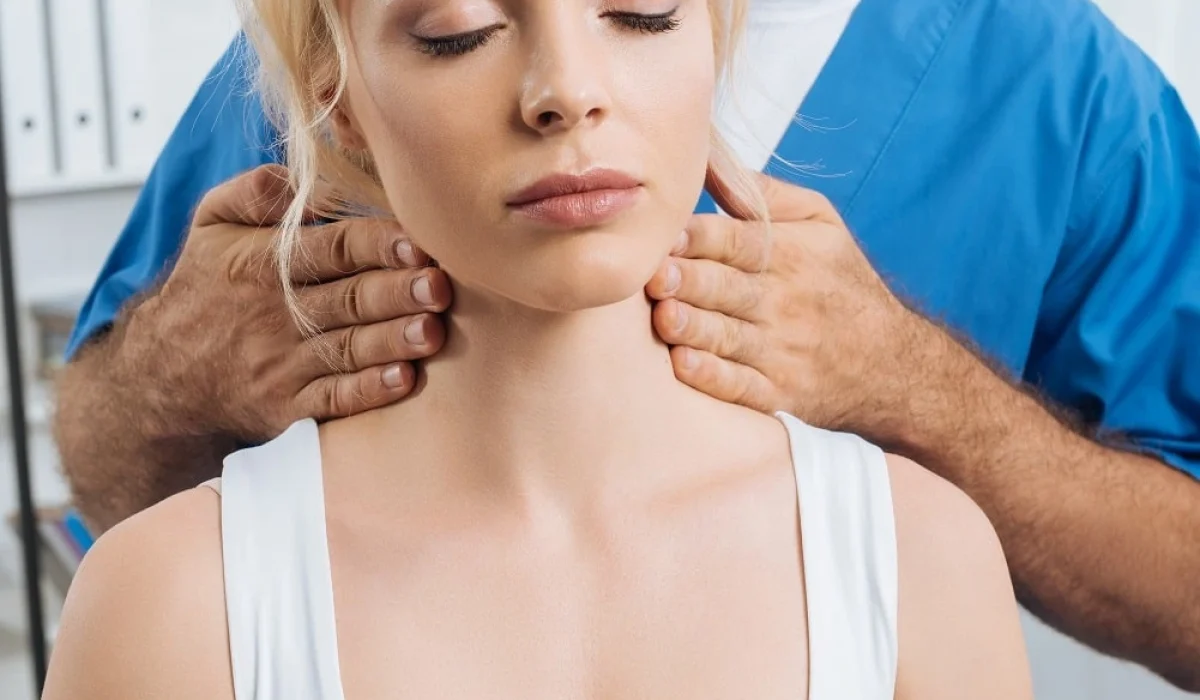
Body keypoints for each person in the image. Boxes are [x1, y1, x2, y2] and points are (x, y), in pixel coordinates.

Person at [51, 0, 1200, 690]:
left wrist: (924, 397)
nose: (565, 92)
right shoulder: (187, 598)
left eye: (646, 13)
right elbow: (103, 471)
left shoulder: (1059, 85)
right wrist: (171, 368)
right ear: (338, 110)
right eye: (458, 32)